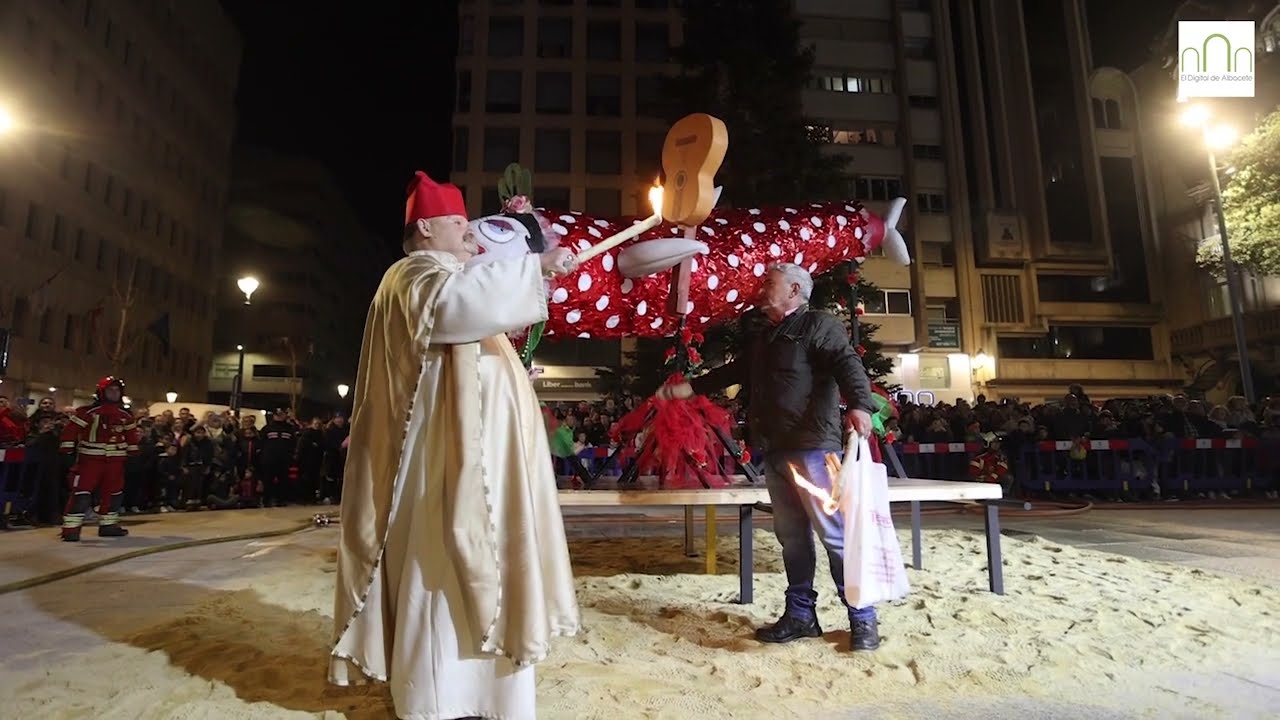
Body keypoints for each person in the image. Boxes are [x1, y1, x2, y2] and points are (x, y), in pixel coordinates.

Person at [329, 171, 582, 720]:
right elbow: (451, 311)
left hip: (484, 465)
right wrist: (533, 266)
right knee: (439, 563)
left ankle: (493, 695)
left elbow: (478, 302)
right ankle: (436, 698)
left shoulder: (453, 275)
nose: (471, 238)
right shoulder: (412, 274)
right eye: (458, 225)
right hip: (440, 463)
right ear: (425, 228)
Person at [660, 262, 882, 651]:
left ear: (795, 290)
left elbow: (848, 362)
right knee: (792, 538)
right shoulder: (766, 337)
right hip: (777, 450)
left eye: (770, 283)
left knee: (835, 537)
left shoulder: (818, 325)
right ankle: (800, 615)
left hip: (814, 447)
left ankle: (862, 617)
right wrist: (688, 389)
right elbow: (735, 371)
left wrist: (861, 405)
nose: (762, 289)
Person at [58, 376, 140, 541]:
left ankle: (108, 526)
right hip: (90, 461)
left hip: (116, 462)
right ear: (102, 392)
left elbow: (131, 436)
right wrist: (67, 450)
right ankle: (71, 529)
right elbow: (71, 430)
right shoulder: (87, 412)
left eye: (117, 390)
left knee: (114, 493)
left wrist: (133, 454)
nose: (114, 393)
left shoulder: (125, 415)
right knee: (81, 492)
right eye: (111, 390)